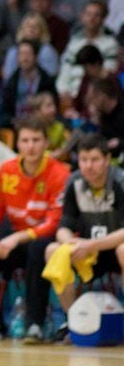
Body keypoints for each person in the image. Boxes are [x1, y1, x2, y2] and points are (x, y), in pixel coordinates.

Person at [0, 116, 69, 340]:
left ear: (46, 143)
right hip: (13, 237)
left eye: (36, 140)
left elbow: (55, 222)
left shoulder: (60, 173)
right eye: (25, 140)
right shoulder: (6, 170)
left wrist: (17, 238)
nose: (31, 146)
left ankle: (34, 324)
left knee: (38, 248)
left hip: (41, 238)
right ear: (17, 144)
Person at [44, 133, 124, 338]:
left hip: (113, 249)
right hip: (89, 253)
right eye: (84, 160)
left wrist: (91, 245)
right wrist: (69, 241)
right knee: (54, 250)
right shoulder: (74, 182)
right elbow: (63, 226)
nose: (89, 166)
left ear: (107, 160)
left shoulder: (120, 182)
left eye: (95, 160)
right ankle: (73, 321)